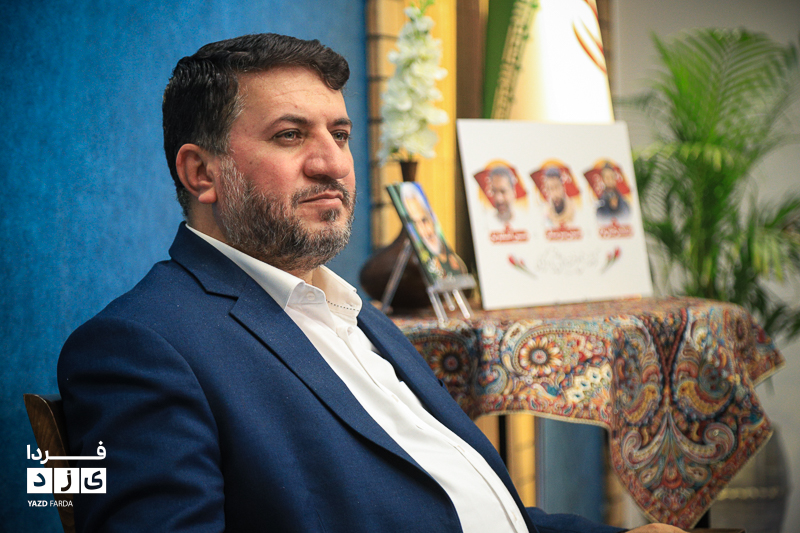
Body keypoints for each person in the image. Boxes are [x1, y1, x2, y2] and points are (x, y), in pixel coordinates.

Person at [58, 33, 684, 533]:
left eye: (340, 134)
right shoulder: (138, 348)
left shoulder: (358, 314)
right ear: (201, 173)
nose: (332, 162)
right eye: (290, 135)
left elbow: (475, 510)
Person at [400, 183, 464, 280]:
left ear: (431, 216)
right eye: (416, 223)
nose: (424, 232)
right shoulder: (425, 262)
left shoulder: (453, 260)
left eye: (424, 220)